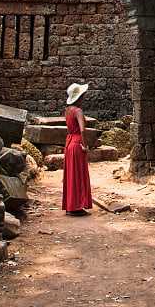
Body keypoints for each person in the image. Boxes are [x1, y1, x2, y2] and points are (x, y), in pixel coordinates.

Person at [62, 82, 93, 215]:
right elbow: (82, 130)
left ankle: (71, 205)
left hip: (69, 144)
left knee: (71, 175)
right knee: (78, 175)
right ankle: (77, 206)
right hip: (77, 144)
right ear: (79, 97)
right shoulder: (78, 111)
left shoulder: (68, 110)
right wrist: (85, 145)